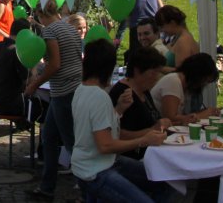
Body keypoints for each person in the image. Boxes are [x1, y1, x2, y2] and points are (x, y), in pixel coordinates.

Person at [72, 38, 174, 203]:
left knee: (163, 182)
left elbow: (94, 125)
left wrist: (119, 109)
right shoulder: (99, 96)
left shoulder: (81, 89)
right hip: (97, 171)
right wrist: (143, 140)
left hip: (94, 164)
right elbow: (105, 145)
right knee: (160, 185)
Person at [25, 0, 82, 200]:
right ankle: (47, 187)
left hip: (64, 90)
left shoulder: (50, 31)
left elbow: (55, 64)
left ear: (40, 15)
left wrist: (34, 84)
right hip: (74, 86)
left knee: (70, 141)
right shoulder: (69, 28)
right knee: (49, 138)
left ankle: (87, 188)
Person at [109, 47, 170, 159]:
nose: (156, 77)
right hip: (133, 157)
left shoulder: (144, 90)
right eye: (153, 72)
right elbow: (117, 134)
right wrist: (152, 130)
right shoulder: (122, 93)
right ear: (137, 71)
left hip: (151, 152)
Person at [0, 18, 45, 126]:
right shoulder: (17, 51)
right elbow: (29, 81)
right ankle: (43, 134)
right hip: (12, 104)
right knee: (45, 104)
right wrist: (34, 66)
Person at [150, 52, 220, 124]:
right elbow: (170, 118)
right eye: (205, 81)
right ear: (198, 75)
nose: (204, 85)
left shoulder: (186, 86)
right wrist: (201, 115)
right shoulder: (173, 81)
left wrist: (206, 112)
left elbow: (185, 115)